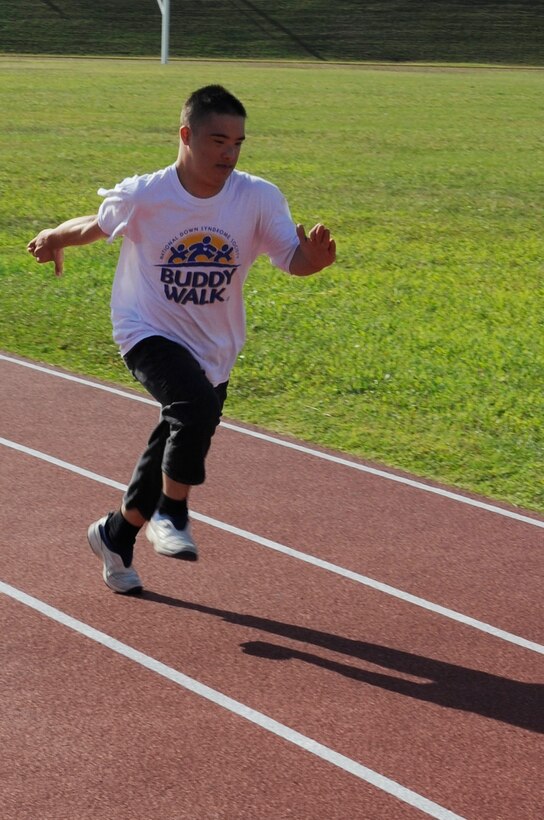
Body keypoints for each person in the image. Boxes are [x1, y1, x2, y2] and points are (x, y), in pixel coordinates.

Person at [27, 84, 336, 595]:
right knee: (193, 410)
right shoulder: (148, 194)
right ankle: (173, 511)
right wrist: (54, 237)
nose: (229, 153)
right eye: (217, 141)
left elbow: (293, 259)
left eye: (238, 143)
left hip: (214, 346)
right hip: (146, 329)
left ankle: (116, 534)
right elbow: (98, 225)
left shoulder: (257, 197)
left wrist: (315, 262)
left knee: (182, 426)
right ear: (186, 135)